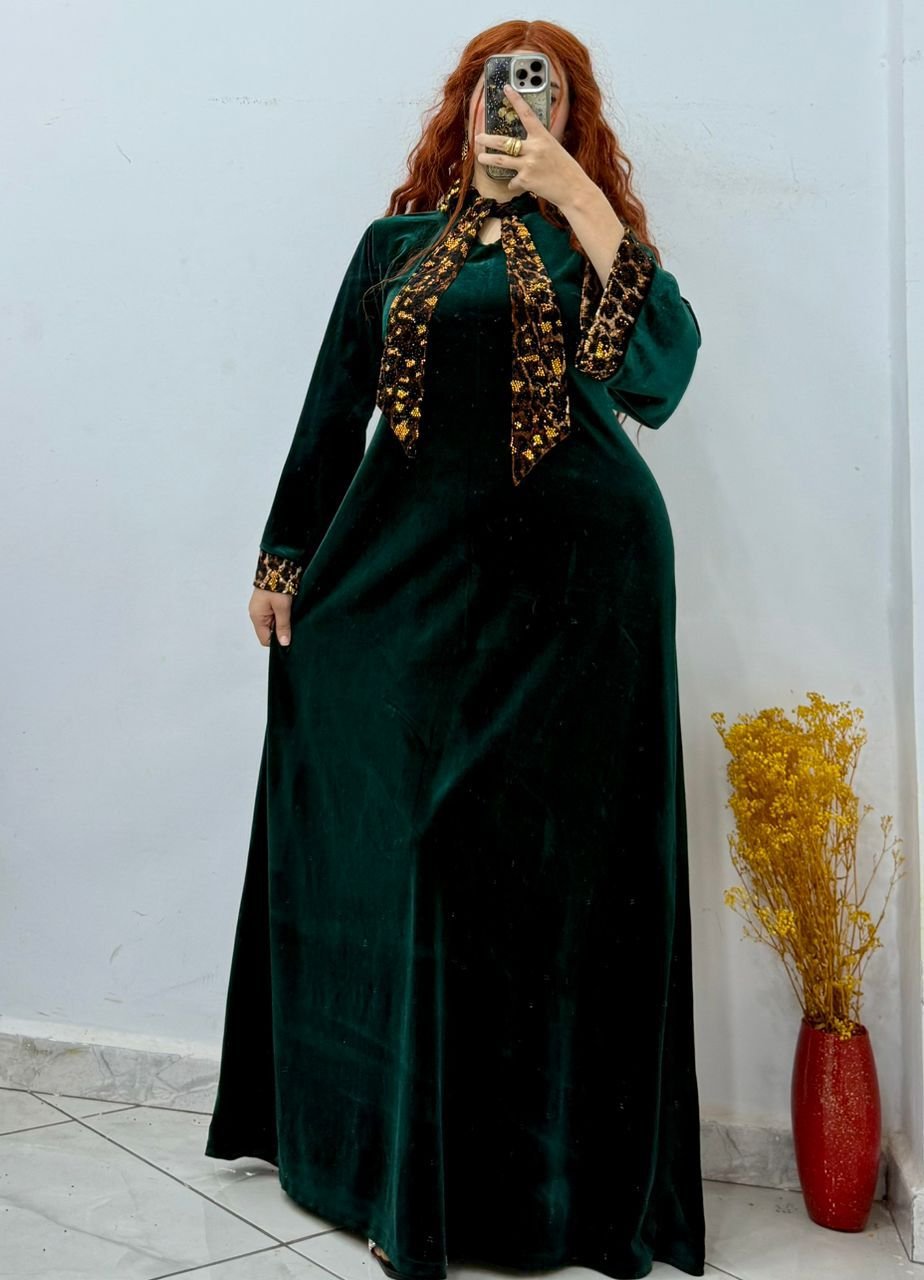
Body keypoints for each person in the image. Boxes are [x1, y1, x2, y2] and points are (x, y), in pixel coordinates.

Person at [205, 18, 705, 1280]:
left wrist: (577, 193)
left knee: (529, 878)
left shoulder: (590, 244)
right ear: (463, 102)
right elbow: (335, 405)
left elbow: (661, 373)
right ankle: (392, 1165)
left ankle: (538, 1196)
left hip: (577, 602)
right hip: (413, 588)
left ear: (571, 117)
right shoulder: (395, 248)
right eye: (497, 83)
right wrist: (284, 555)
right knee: (415, 847)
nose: (513, 103)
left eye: (544, 91)